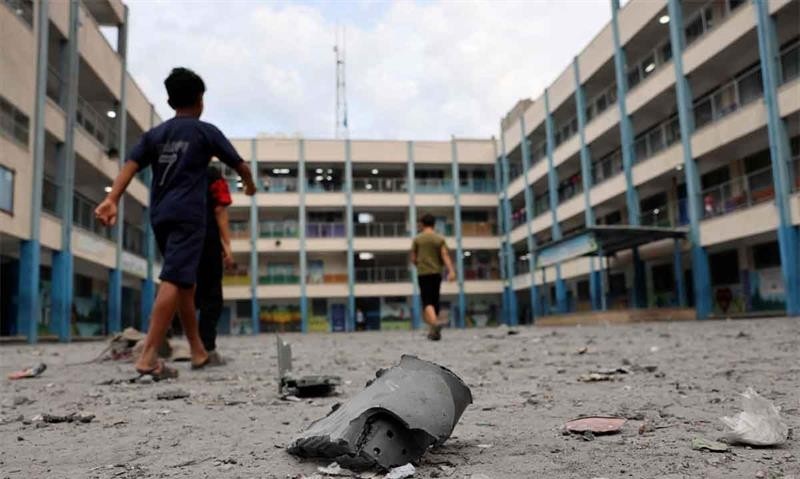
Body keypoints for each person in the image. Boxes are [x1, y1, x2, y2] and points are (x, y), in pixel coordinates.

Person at [95, 67, 256, 379]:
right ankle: (148, 355)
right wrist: (249, 185)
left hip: (160, 215)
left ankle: (197, 350)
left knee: (185, 281)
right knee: (174, 277)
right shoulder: (205, 132)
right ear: (200, 100)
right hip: (188, 216)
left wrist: (112, 198)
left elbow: (130, 166)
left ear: (170, 102)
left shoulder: (155, 135)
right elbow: (241, 165)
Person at [196, 165, 234, 364]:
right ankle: (206, 349)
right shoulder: (213, 175)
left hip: (176, 232)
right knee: (211, 295)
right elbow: (219, 210)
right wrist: (227, 245)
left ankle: (158, 341)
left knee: (179, 288)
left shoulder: (179, 171)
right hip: (205, 235)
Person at [411, 214, 456, 341]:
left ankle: (435, 324)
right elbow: (444, 255)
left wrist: (418, 264)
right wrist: (451, 271)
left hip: (423, 273)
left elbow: (413, 258)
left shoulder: (418, 239)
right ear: (434, 224)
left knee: (427, 301)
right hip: (437, 273)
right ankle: (433, 332)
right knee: (435, 300)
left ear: (422, 224)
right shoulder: (439, 239)